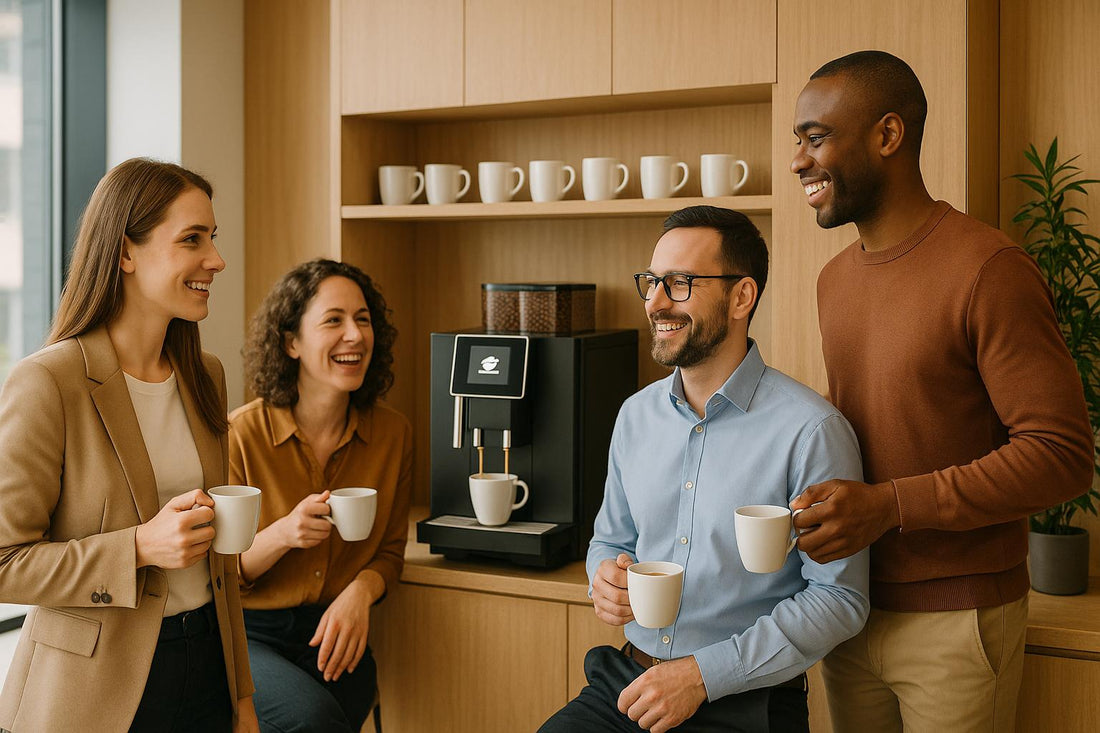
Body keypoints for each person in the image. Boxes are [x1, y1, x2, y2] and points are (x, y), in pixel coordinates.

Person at [789, 50, 1094, 732]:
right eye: (798, 141)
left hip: (959, 622)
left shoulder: (990, 268)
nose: (798, 161)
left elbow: (1062, 455)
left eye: (816, 137)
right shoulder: (833, 281)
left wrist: (889, 506)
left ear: (888, 135)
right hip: (846, 607)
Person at [539, 206, 870, 733]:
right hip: (629, 681)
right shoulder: (634, 416)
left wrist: (703, 676)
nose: (655, 302)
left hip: (747, 702)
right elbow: (610, 540)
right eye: (651, 282)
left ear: (742, 297)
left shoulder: (812, 430)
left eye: (680, 283)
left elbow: (840, 598)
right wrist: (604, 577)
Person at [0, 158, 258, 731]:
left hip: (207, 668)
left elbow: (221, 564)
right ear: (125, 253)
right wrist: (138, 547)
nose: (216, 259)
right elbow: (5, 562)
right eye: (192, 239)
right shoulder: (49, 382)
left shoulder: (206, 375)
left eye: (213, 237)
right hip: (92, 694)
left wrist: (241, 696)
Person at [229, 258, 412, 733]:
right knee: (311, 718)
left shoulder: (393, 434)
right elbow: (219, 572)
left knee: (347, 698)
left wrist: (360, 593)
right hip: (249, 635)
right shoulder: (239, 435)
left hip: (334, 628)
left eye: (363, 319)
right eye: (334, 320)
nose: (355, 335)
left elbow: (391, 551)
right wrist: (283, 534)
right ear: (291, 342)